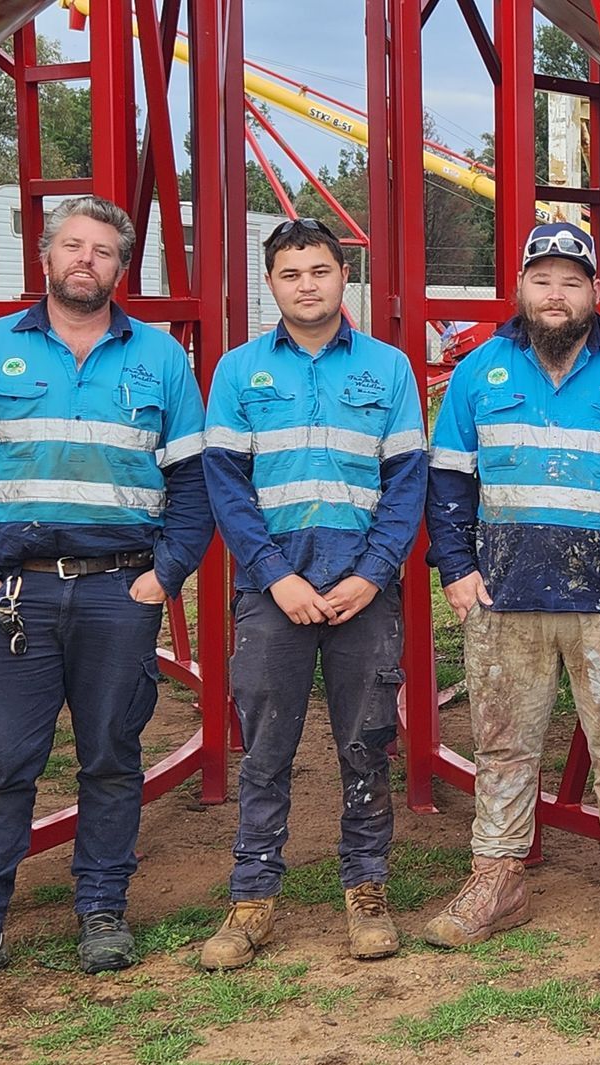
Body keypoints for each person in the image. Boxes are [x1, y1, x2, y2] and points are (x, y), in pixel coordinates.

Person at [0, 196, 212, 997]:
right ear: (45, 257)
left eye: (103, 250)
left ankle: (103, 912)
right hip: (14, 595)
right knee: (3, 763)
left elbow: (192, 481)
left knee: (112, 758)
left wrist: (163, 575)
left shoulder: (159, 358)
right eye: (72, 246)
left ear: (121, 267)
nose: (87, 260)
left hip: (119, 590)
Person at [422, 222, 600, 951]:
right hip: (505, 597)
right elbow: (447, 483)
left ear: (595, 289)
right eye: (543, 280)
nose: (556, 295)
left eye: (572, 280)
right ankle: (497, 876)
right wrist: (458, 569)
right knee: (502, 744)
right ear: (522, 289)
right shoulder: (480, 372)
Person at [197, 219, 427, 970]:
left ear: (343, 276)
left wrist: (371, 573)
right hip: (275, 591)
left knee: (366, 742)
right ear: (271, 283)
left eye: (321, 270)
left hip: (366, 588)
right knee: (265, 747)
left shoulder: (389, 370)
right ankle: (253, 895)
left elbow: (407, 485)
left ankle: (366, 890)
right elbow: (225, 487)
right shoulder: (238, 372)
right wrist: (276, 576)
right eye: (292, 273)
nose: (307, 284)